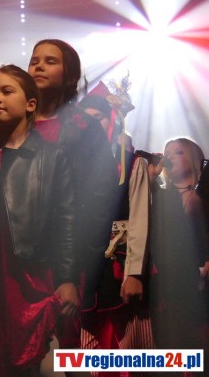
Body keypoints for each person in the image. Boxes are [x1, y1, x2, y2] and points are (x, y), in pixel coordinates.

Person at [0, 64, 79, 375]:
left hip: (34, 274)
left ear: (30, 104)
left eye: (6, 91)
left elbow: (66, 222)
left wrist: (67, 278)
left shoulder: (52, 157)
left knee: (45, 360)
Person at [27, 39, 117, 350]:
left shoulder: (85, 128)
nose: (39, 66)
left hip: (62, 257)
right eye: (34, 60)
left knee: (58, 349)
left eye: (50, 61)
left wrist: (81, 263)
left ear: (70, 75)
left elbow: (100, 199)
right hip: (13, 258)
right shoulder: (13, 123)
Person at [78, 94, 154, 353]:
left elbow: (140, 220)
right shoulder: (71, 164)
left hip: (119, 265)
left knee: (131, 346)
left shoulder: (133, 164)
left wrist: (134, 273)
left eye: (97, 117)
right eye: (84, 118)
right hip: (84, 269)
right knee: (85, 349)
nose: (90, 123)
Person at [150, 138, 209, 350]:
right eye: (167, 153)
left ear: (194, 158)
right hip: (175, 290)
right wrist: (150, 178)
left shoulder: (205, 194)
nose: (170, 157)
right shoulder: (160, 196)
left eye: (179, 152)